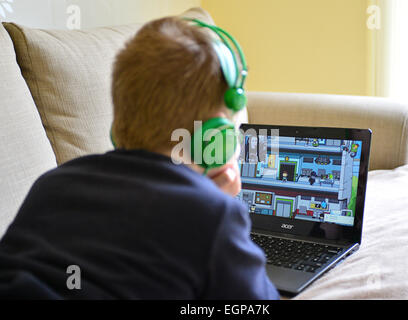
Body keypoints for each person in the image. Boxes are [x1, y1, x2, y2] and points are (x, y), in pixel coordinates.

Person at [0, 16, 279, 299]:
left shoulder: (52, 185)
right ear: (217, 139)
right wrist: (220, 202)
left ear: (117, 127)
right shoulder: (216, 216)